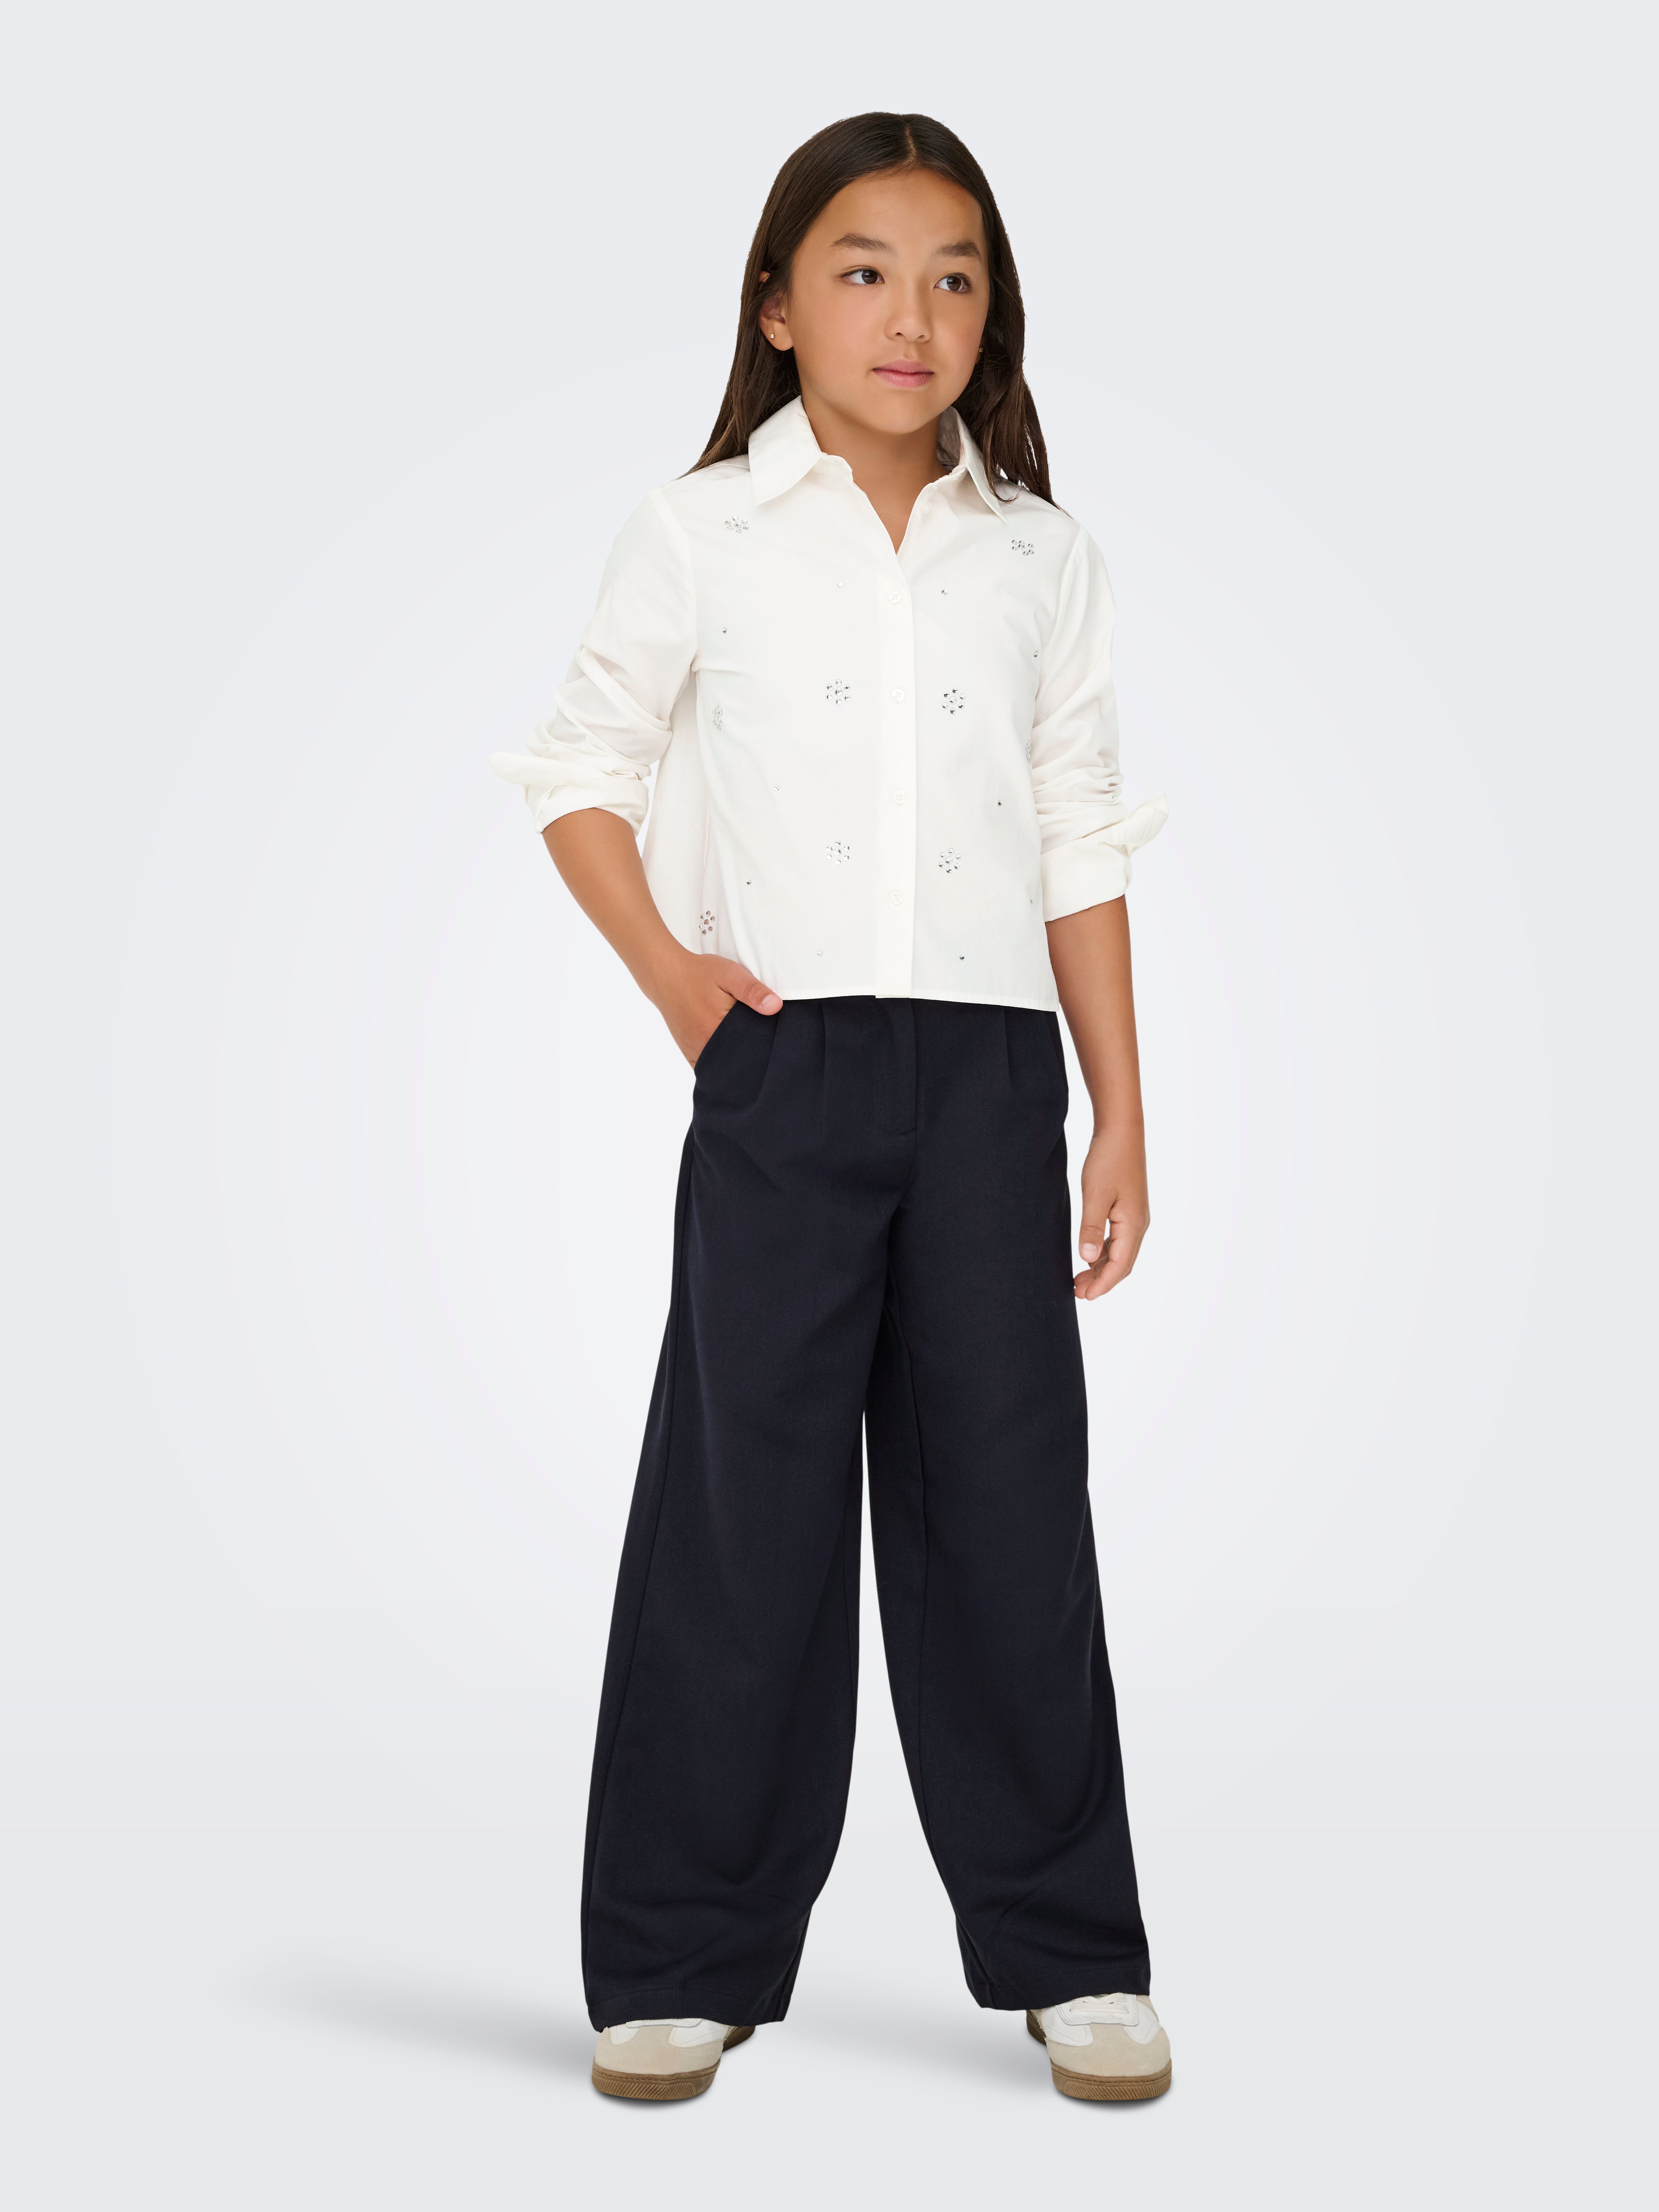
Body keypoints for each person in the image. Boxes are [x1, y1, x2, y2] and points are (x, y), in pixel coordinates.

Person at [492, 111, 1170, 2105]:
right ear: (778, 306)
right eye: (863, 269)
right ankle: (678, 1955)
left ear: (993, 315)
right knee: (744, 1508)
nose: (911, 313)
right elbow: (581, 769)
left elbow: (1078, 830)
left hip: (986, 1072)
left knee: (1011, 1507)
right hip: (778, 1056)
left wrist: (1119, 1112)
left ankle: (1070, 1946)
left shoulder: (1037, 554)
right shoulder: (702, 528)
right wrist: (680, 984)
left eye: (955, 276)